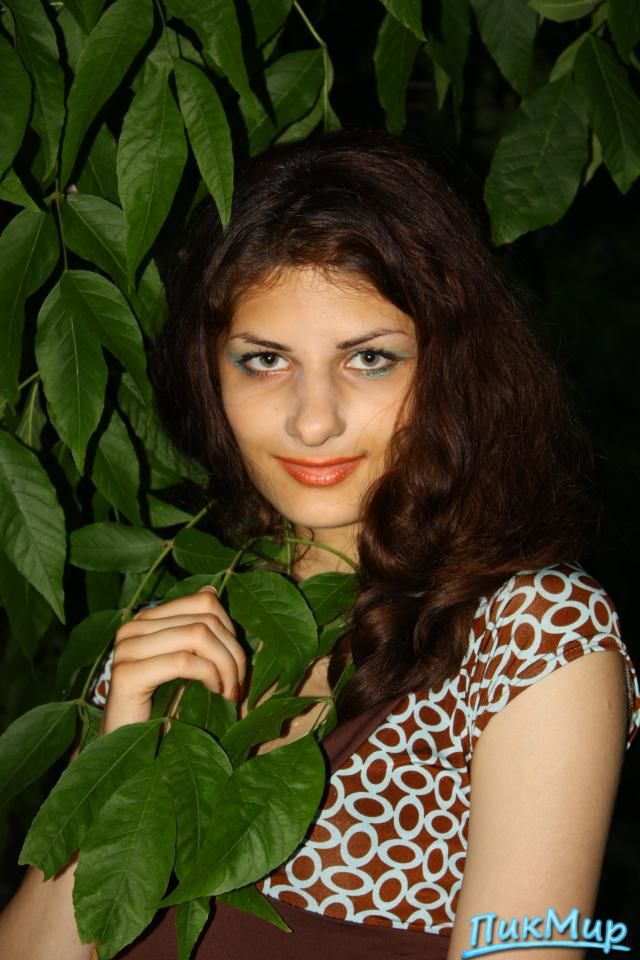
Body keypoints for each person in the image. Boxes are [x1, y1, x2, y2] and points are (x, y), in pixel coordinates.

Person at [1, 127, 639, 960]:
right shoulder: (193, 612)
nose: (312, 421)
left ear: (452, 365)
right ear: (210, 370)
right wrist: (119, 756)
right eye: (265, 360)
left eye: (368, 359)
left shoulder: (530, 635)